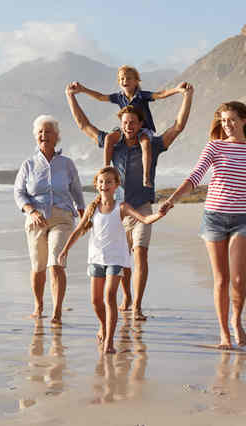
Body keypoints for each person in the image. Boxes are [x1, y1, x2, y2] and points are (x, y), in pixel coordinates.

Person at [159, 101, 246, 349]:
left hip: (242, 219)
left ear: (244, 121)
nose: (227, 125)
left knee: (238, 280)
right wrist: (172, 200)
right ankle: (224, 333)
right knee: (221, 280)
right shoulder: (214, 147)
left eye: (232, 120)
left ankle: (236, 320)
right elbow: (195, 177)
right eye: (223, 121)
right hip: (214, 218)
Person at [66, 82, 194, 321]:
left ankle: (137, 305)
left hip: (143, 208)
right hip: (118, 212)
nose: (129, 126)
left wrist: (187, 96)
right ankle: (126, 296)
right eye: (125, 123)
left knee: (140, 254)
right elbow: (84, 125)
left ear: (141, 124)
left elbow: (178, 127)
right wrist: (71, 97)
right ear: (121, 125)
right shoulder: (113, 145)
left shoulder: (153, 145)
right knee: (122, 261)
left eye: (133, 123)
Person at [57, 167, 164, 354]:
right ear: (96, 185)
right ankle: (103, 326)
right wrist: (65, 249)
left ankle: (109, 340)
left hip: (116, 259)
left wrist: (160, 213)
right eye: (101, 182)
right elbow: (78, 231)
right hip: (96, 258)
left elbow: (145, 220)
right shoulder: (92, 208)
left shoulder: (122, 207)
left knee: (109, 297)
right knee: (95, 302)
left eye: (108, 182)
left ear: (116, 185)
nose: (104, 185)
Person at [14, 115, 85, 325]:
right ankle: (38, 306)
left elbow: (77, 190)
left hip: (63, 217)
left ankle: (57, 311)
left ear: (57, 136)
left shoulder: (67, 164)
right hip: (36, 219)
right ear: (36, 137)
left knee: (56, 262)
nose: (44, 135)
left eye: (48, 132)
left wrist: (84, 214)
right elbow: (19, 192)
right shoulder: (28, 165)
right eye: (40, 132)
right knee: (38, 266)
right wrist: (30, 210)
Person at [71, 65, 187, 187]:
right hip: (126, 128)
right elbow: (100, 97)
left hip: (143, 129)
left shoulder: (142, 95)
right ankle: (106, 169)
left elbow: (160, 94)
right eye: (122, 79)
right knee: (109, 138)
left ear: (136, 81)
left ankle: (146, 177)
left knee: (146, 144)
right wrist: (83, 89)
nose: (125, 81)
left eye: (128, 78)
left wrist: (177, 90)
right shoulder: (119, 97)